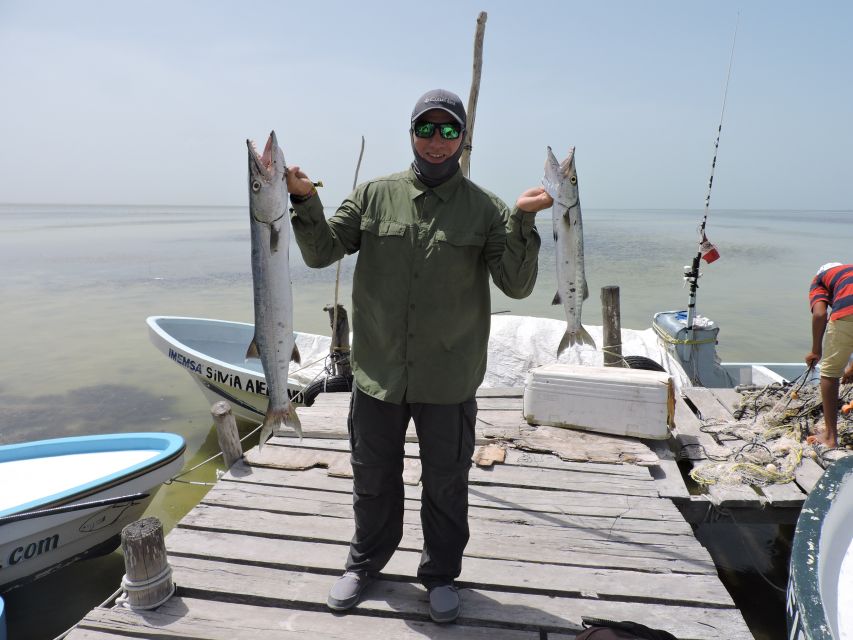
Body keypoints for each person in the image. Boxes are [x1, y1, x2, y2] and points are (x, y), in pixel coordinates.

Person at [285, 89, 552, 623]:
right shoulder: (373, 195)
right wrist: (302, 199)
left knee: (446, 481)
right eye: (426, 129)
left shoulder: (488, 209)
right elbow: (320, 253)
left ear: (462, 139)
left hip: (448, 378)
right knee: (372, 475)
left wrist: (523, 222)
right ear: (410, 132)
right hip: (378, 372)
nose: (436, 141)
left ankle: (440, 575)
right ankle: (365, 564)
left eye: (448, 131)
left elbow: (517, 287)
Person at [805, 262, 853, 448]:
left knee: (830, 373)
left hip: (847, 314)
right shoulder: (846, 273)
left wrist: (816, 350)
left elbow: (819, 314)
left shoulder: (819, 280)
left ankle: (830, 437)